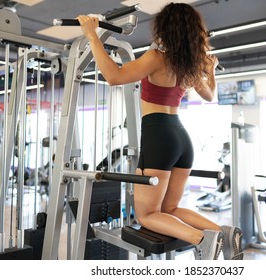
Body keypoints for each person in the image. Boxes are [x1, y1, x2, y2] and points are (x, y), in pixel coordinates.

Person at [77, 2, 243, 260]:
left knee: (146, 215)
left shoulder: (157, 58)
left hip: (159, 135)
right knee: (170, 208)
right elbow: (210, 95)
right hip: (181, 138)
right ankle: (224, 232)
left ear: (166, 29)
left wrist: (91, 36)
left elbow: (114, 76)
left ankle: (203, 240)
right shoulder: (188, 66)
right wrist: (210, 71)